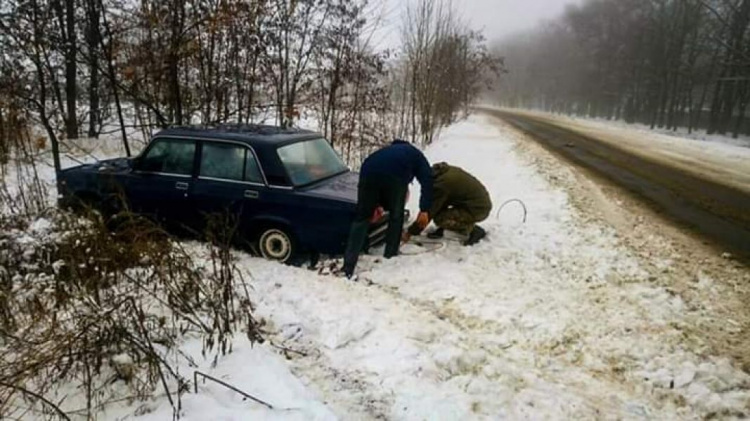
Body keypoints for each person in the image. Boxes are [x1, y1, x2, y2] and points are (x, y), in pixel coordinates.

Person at [342, 139, 433, 279]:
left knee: (361, 218)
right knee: (396, 216)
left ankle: (348, 265)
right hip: (396, 176)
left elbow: (376, 179)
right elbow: (428, 179)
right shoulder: (415, 154)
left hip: (368, 171)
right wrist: (424, 209)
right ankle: (390, 254)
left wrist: (374, 204)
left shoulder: (384, 152)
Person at [405, 162, 491, 246]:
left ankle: (472, 230)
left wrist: (411, 232)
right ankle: (450, 225)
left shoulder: (442, 184)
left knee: (440, 219)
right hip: (474, 204)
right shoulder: (441, 171)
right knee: (440, 207)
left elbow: (430, 211)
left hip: (479, 209)